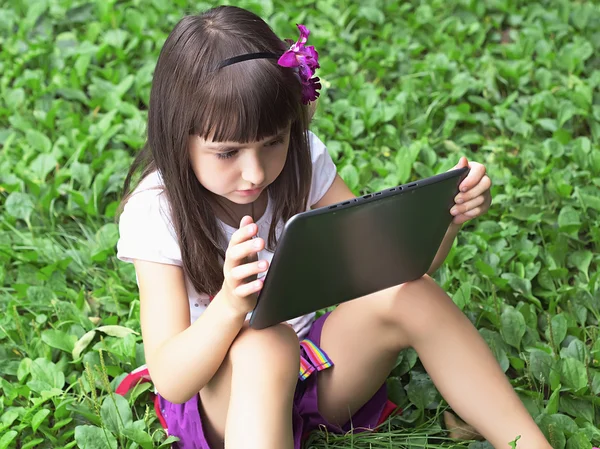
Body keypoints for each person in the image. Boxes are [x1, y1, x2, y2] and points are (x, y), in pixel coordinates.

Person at [116, 5, 551, 449]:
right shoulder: (158, 211)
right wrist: (229, 306)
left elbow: (392, 269)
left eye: (273, 142)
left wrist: (449, 218)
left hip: (312, 371)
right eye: (227, 153)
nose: (254, 172)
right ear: (177, 137)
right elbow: (171, 379)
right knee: (266, 346)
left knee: (412, 294)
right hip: (222, 395)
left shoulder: (303, 161)